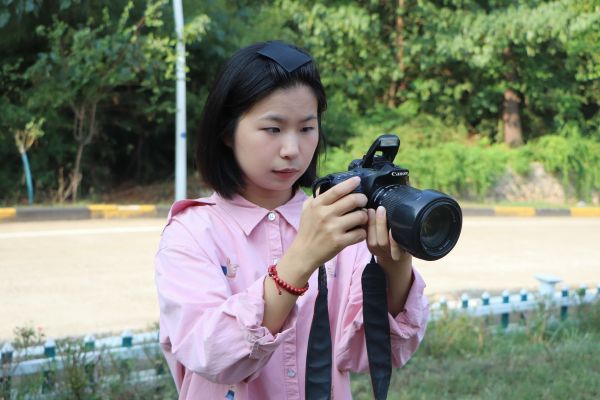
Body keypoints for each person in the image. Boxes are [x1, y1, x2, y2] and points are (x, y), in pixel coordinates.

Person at [155, 40, 429, 400]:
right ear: (226, 131)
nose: (292, 150)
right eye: (273, 129)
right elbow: (210, 354)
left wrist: (395, 265)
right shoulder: (192, 232)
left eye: (306, 128)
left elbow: (371, 353)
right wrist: (301, 260)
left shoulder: (335, 218)